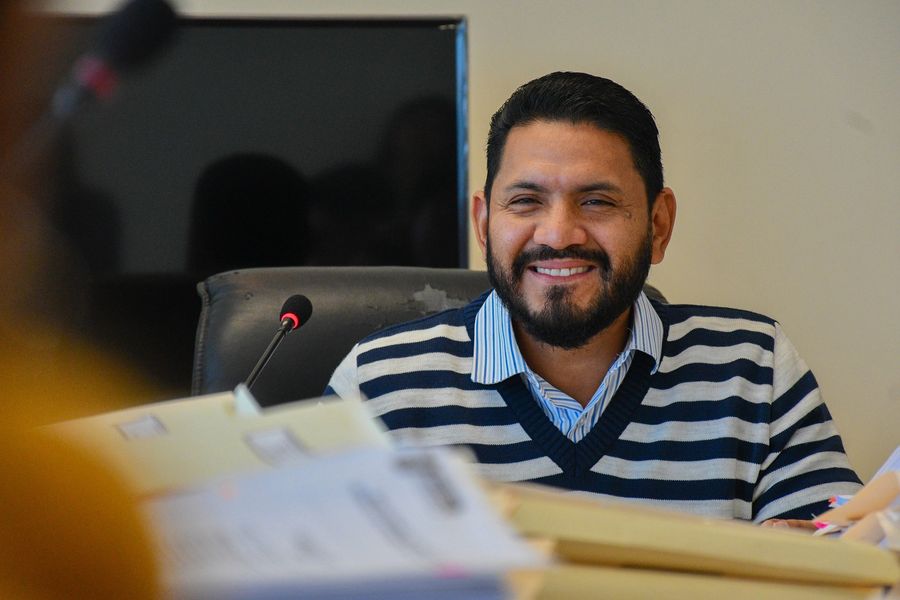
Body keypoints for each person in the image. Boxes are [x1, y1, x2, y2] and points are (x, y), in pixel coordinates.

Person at [325, 71, 861, 524]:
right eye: (526, 201)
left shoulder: (753, 368)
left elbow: (844, 564)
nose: (559, 234)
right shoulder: (378, 386)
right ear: (484, 224)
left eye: (597, 201)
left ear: (658, 225)